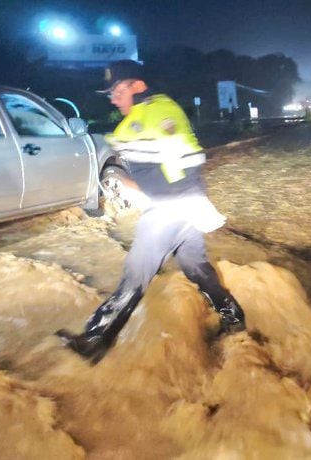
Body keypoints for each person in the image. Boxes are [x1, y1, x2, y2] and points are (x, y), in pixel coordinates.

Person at [56, 60, 246, 363]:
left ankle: (95, 339)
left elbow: (176, 167)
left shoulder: (155, 113)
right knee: (195, 267)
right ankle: (233, 318)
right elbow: (168, 166)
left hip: (170, 207)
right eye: (110, 95)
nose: (114, 99)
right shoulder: (155, 109)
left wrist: (127, 181)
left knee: (136, 271)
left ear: (137, 85)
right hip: (187, 205)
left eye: (118, 91)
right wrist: (127, 179)